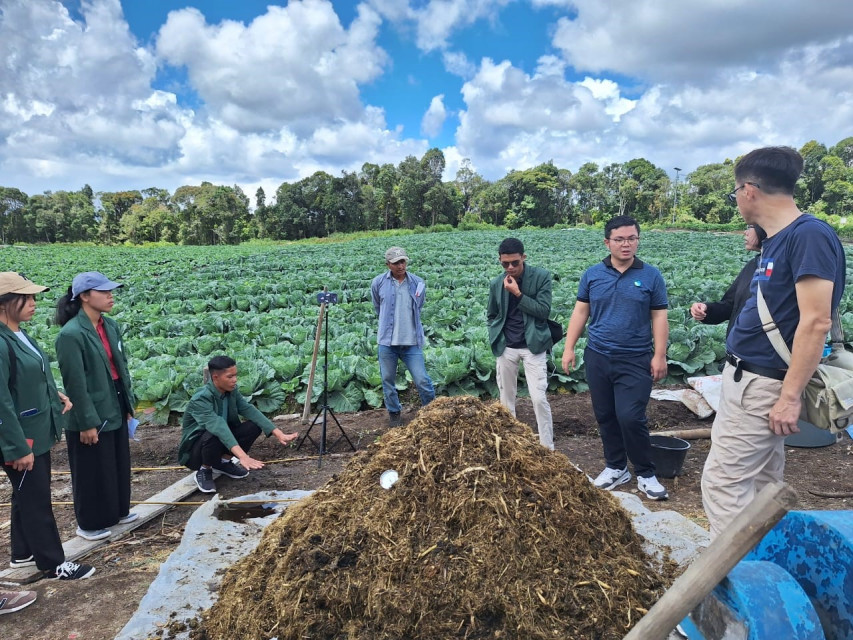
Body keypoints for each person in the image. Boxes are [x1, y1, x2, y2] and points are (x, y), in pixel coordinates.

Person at [701, 147, 845, 538]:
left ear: (749, 190)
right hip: (750, 381)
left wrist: (789, 396)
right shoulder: (778, 240)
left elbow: (815, 322)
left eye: (734, 192)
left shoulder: (808, 235)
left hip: (764, 384)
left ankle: (731, 586)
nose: (736, 200)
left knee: (723, 484)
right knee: (764, 485)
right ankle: (765, 567)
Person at [562, 216, 670, 500]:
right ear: (607, 242)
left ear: (638, 240)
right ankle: (616, 467)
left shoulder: (650, 276)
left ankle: (646, 473)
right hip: (598, 355)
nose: (626, 244)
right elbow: (581, 312)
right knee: (605, 415)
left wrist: (660, 354)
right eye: (620, 239)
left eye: (632, 238)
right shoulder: (593, 274)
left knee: (631, 416)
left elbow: (659, 316)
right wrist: (569, 347)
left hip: (635, 358)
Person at [0, 272, 94, 580]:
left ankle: (22, 553)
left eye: (33, 297)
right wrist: (15, 447)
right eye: (25, 298)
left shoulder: (19, 333)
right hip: (21, 438)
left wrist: (54, 394)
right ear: (4, 303)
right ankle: (54, 564)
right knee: (36, 498)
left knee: (25, 492)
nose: (33, 303)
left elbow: (28, 377)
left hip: (35, 430)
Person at [55, 271, 137, 542]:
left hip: (114, 397)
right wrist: (86, 421)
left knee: (116, 459)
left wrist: (127, 404)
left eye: (111, 290)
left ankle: (117, 511)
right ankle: (89, 523)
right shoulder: (71, 334)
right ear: (85, 297)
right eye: (104, 292)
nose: (110, 295)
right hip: (88, 407)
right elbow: (76, 383)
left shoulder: (109, 325)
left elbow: (120, 367)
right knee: (91, 467)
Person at [179, 355, 299, 493]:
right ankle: (204, 470)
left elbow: (248, 409)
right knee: (213, 433)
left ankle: (223, 463)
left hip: (220, 438)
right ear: (216, 378)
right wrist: (243, 457)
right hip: (197, 450)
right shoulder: (200, 399)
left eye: (235, 375)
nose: (235, 380)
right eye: (230, 377)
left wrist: (278, 433)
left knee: (253, 426)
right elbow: (218, 426)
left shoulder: (231, 391)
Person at [486, 238, 555, 449]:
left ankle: (547, 447)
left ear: (523, 257)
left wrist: (517, 293)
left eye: (515, 263)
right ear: (499, 260)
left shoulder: (541, 277)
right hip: (507, 347)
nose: (510, 268)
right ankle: (511, 445)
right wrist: (496, 334)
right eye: (505, 263)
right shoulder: (496, 283)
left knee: (538, 398)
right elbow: (492, 314)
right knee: (506, 400)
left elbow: (543, 311)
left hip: (533, 347)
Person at [370, 247, 435, 427]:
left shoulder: (418, 283)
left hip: (411, 342)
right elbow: (378, 307)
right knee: (387, 380)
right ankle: (394, 413)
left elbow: (418, 307)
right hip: (387, 342)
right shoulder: (378, 283)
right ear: (388, 264)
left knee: (422, 379)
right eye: (396, 263)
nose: (401, 266)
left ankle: (431, 411)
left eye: (403, 261)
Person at [690, 224, 767, 335]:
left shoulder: (781, 267)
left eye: (750, 227)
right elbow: (730, 305)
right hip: (739, 348)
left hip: (762, 349)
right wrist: (706, 309)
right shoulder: (753, 264)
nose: (745, 232)